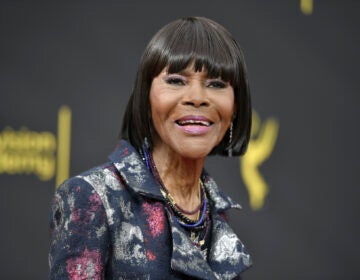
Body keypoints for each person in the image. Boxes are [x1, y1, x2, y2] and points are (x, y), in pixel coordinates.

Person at [49, 16, 252, 279]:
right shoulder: (93, 198)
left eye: (216, 84)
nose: (197, 98)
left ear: (235, 107)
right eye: (177, 80)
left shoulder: (213, 211)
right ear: (145, 97)